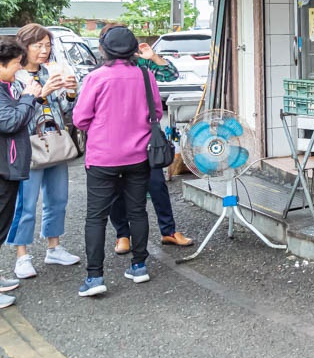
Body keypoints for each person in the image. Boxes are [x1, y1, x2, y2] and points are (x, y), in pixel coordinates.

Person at [73, 26, 159, 297]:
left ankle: (95, 276)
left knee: (96, 217)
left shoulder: (96, 78)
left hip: (103, 157)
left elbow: (80, 120)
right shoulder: (145, 75)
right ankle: (139, 265)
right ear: (135, 50)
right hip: (139, 155)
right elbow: (156, 112)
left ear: (103, 50)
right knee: (137, 211)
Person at [99, 24, 194, 254]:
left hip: (144, 136)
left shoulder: (142, 64)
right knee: (116, 190)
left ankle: (168, 231)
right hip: (112, 139)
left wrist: (154, 57)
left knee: (157, 184)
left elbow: (171, 75)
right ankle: (123, 235)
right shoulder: (101, 69)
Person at [7, 25, 81, 279]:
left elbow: (63, 108)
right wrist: (42, 93)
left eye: (47, 45)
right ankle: (22, 255)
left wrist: (70, 92)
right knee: (25, 204)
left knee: (58, 198)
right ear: (24, 47)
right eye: (38, 45)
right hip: (28, 145)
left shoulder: (50, 71)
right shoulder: (12, 76)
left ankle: (54, 247)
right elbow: (15, 114)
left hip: (55, 141)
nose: (44, 50)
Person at [0, 38, 43, 308]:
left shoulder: (6, 86)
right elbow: (10, 121)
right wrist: (29, 96)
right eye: (16, 64)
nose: (18, 69)